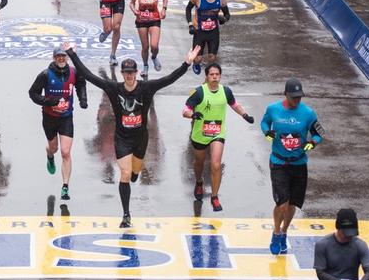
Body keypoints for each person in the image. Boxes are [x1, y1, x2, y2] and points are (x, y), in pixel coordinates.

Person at [66, 43, 201, 227]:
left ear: (136, 72)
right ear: (122, 74)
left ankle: (137, 172)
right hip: (122, 138)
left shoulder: (146, 88)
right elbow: (89, 75)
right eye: (126, 73)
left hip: (140, 138)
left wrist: (187, 63)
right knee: (125, 173)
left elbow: (169, 79)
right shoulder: (113, 88)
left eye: (132, 72)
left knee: (135, 171)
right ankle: (126, 215)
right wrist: (71, 53)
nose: (129, 76)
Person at [261, 78, 324, 255]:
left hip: (299, 163)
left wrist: (313, 143)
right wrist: (267, 133)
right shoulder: (273, 109)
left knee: (292, 204)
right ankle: (275, 232)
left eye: (299, 97)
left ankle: (285, 231)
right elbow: (264, 123)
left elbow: (319, 133)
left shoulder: (308, 113)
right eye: (293, 97)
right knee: (282, 203)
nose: (297, 100)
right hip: (279, 162)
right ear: (285, 94)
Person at [182, 63, 256, 211]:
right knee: (199, 162)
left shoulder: (226, 91)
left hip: (217, 133)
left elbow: (234, 104)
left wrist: (245, 115)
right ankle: (199, 182)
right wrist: (193, 114)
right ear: (207, 76)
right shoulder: (198, 92)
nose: (215, 77)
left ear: (220, 76)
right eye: (211, 74)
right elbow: (185, 110)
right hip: (200, 134)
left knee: (216, 164)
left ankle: (215, 197)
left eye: (217, 74)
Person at [28, 45, 87, 201]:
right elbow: (32, 93)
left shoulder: (73, 73)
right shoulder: (46, 74)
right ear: (54, 58)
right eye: (58, 56)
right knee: (54, 148)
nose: (61, 58)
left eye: (63, 56)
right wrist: (47, 101)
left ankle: (65, 187)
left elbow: (81, 84)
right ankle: (49, 155)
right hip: (49, 118)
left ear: (66, 58)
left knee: (66, 152)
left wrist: (83, 99)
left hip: (66, 118)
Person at [314, 208, 369, 280]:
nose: (350, 236)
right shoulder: (322, 245)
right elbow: (320, 273)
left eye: (352, 233)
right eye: (347, 233)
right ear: (338, 228)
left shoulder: (360, 245)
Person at [186, 0, 230, 73]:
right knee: (198, 59)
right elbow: (188, 9)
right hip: (199, 31)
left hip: (213, 32)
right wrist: (190, 24)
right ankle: (195, 64)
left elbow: (227, 14)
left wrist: (224, 19)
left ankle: (208, 76)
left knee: (212, 58)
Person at [129, 0, 168, 78]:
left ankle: (154, 57)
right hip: (141, 20)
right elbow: (131, 3)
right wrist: (134, 11)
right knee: (145, 47)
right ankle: (145, 67)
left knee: (154, 46)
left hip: (155, 19)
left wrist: (164, 9)